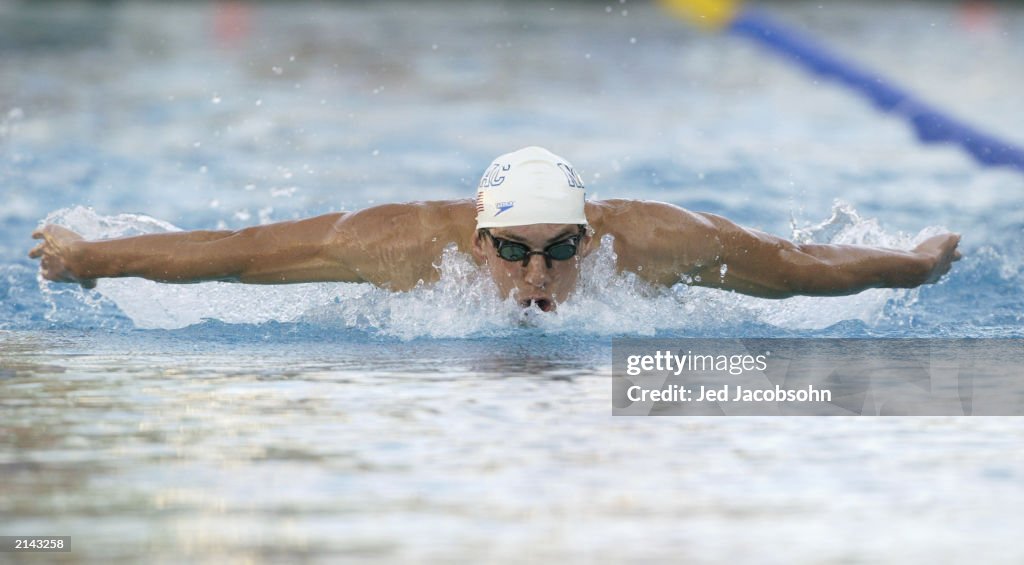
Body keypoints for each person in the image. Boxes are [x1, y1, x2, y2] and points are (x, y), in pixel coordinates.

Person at [29, 146, 961, 312]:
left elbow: (802, 270)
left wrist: (914, 265)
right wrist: (89, 260)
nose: (536, 273)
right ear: (479, 240)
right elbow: (235, 256)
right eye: (513, 249)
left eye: (561, 248)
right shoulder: (397, 243)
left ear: (591, 237)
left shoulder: (654, 239)